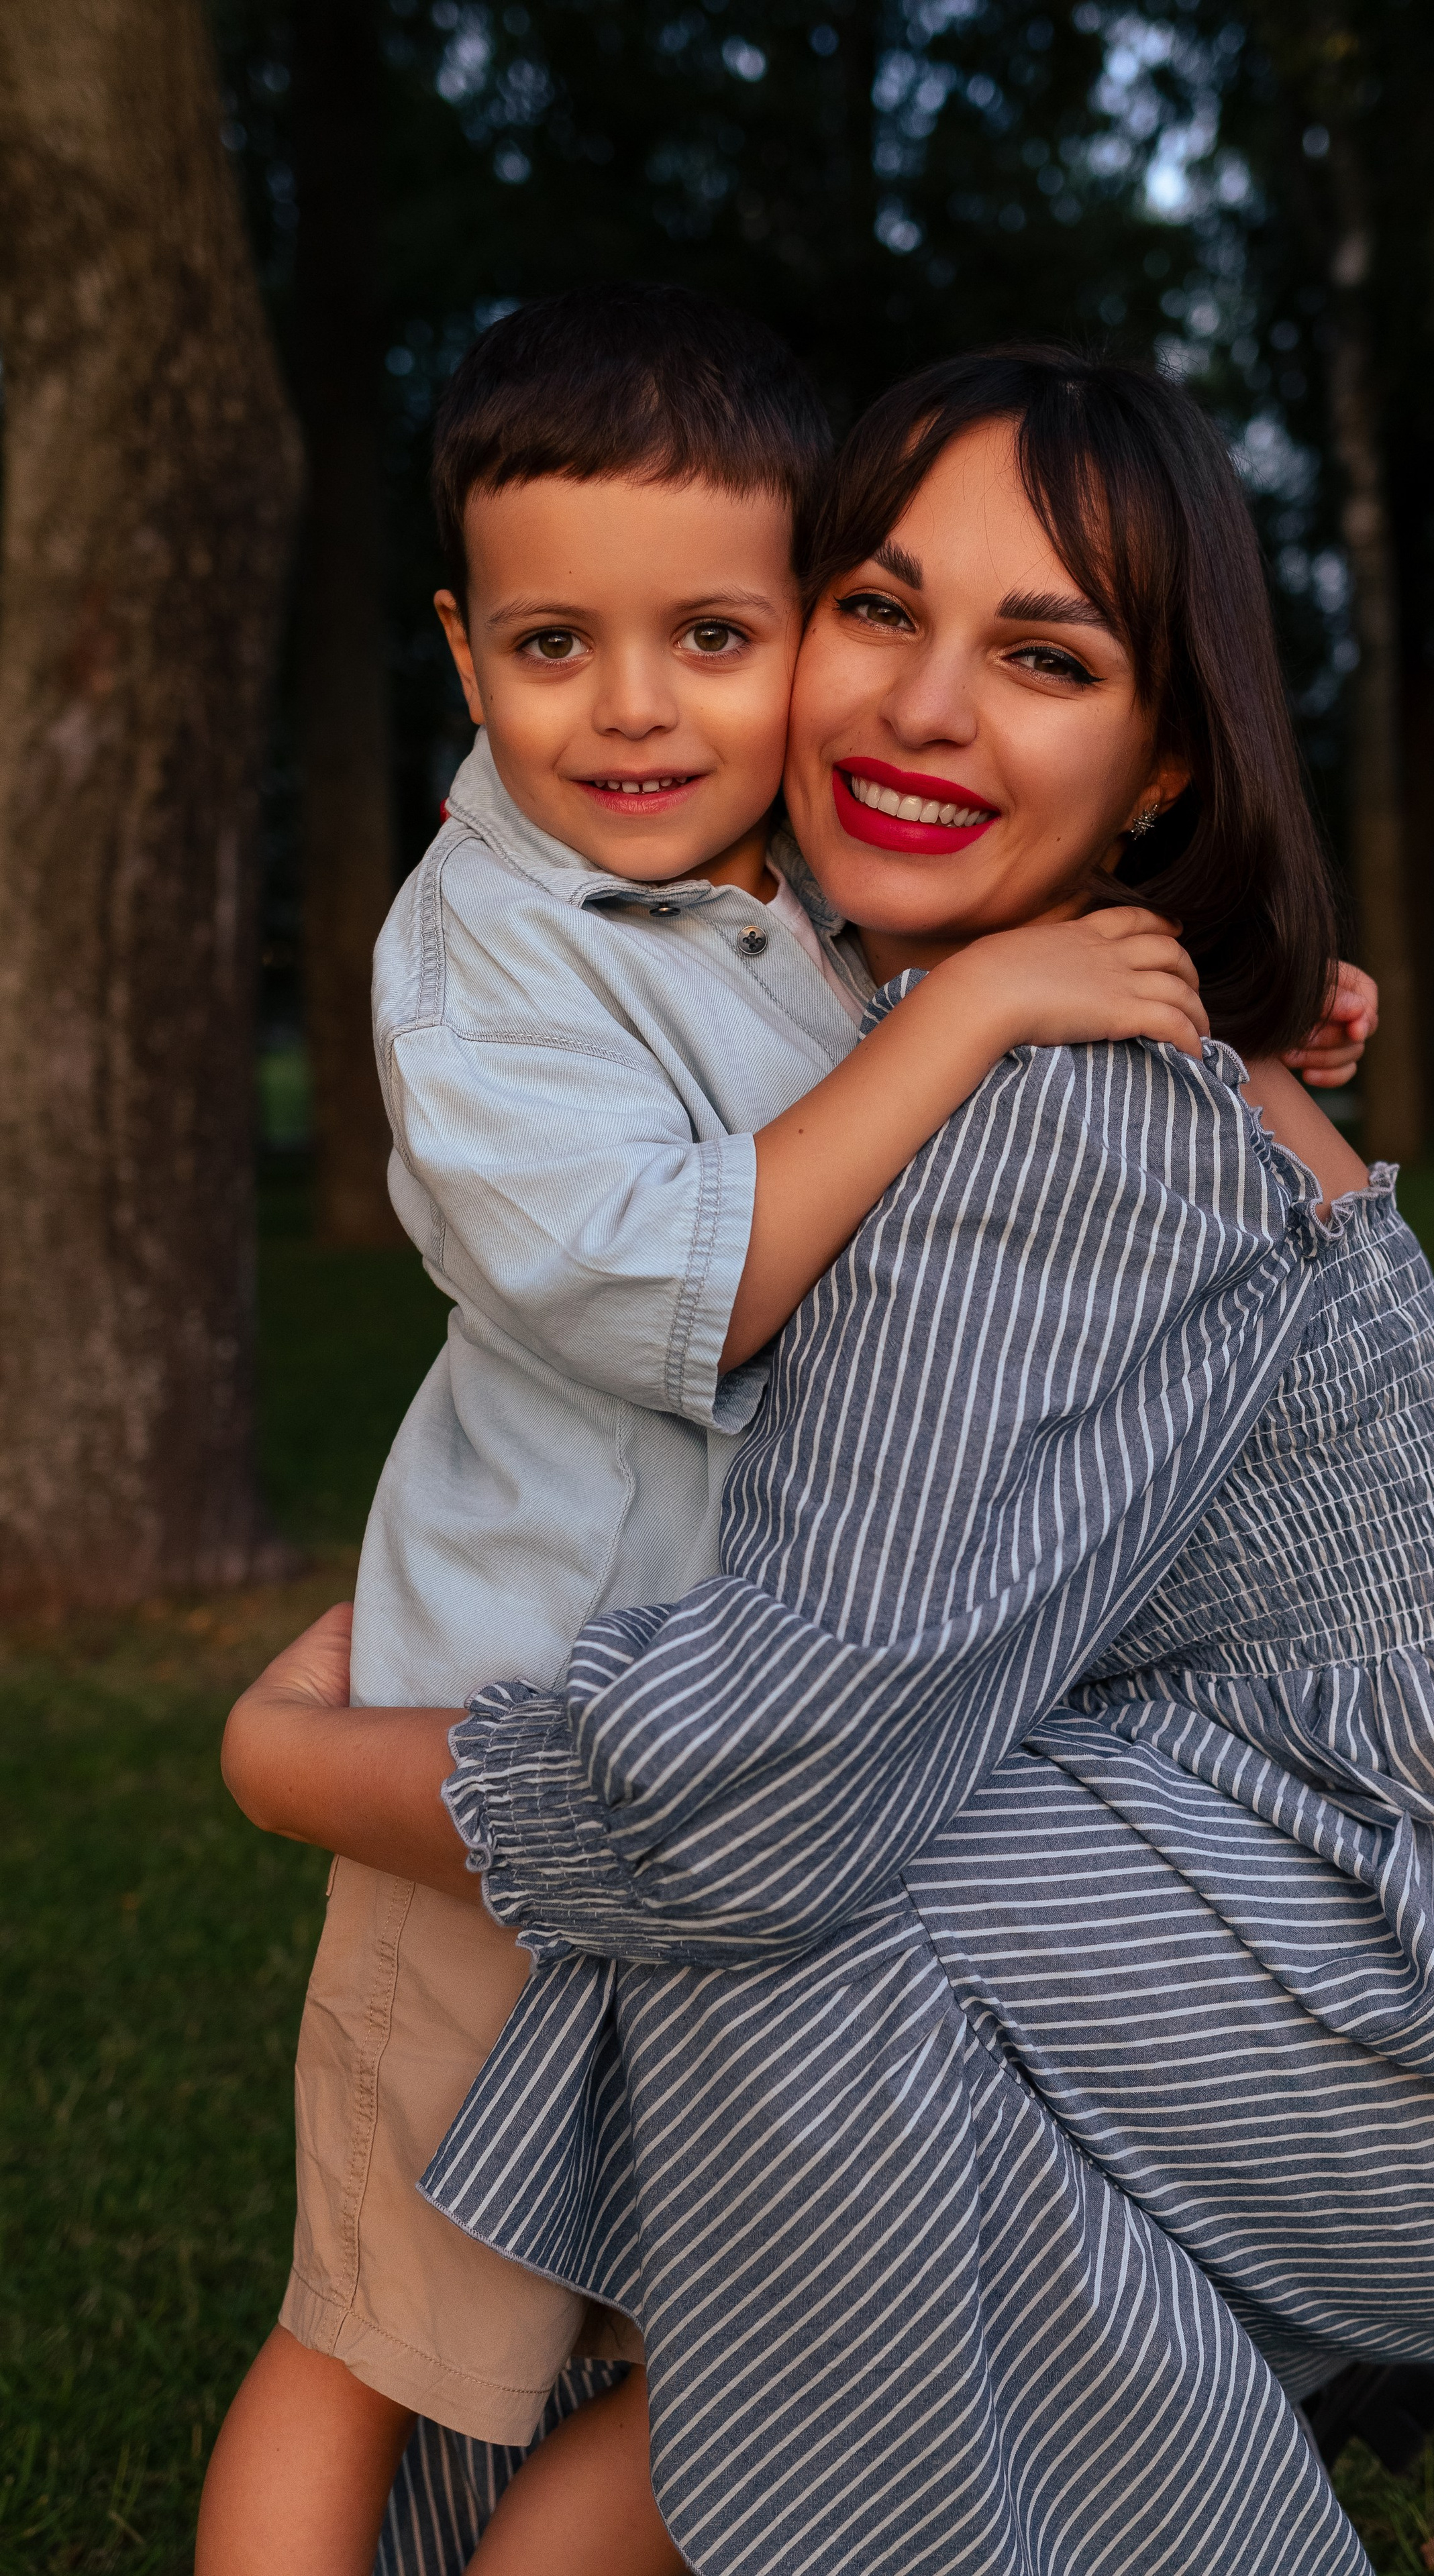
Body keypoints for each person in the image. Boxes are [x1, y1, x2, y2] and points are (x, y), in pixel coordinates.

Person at [199, 294, 1372, 2576]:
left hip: (750, 1750)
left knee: (696, 2299)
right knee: (379, 2322)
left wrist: (1248, 1023)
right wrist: (998, 1011)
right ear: (462, 650)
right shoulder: (490, 957)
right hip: (514, 1738)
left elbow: (1011, 1060)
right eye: (557, 643)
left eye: (716, 634)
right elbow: (701, 1283)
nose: (637, 707)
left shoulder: (802, 890)